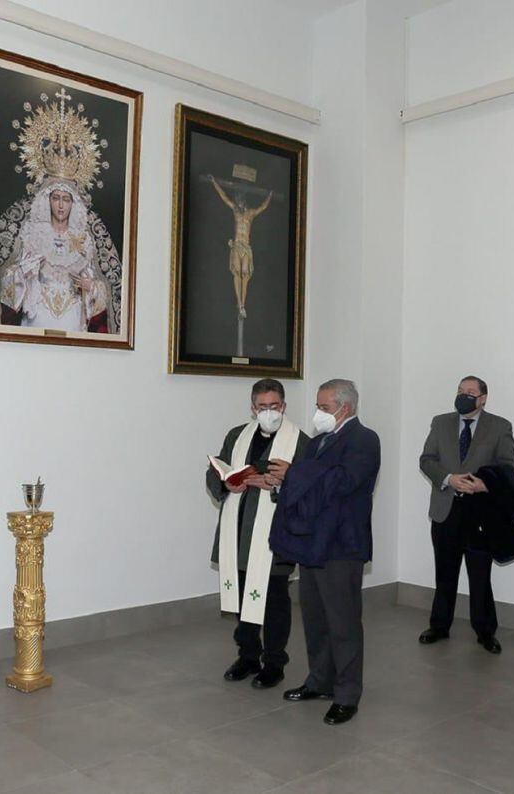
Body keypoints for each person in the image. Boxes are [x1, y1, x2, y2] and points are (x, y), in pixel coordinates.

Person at [276, 379, 380, 725]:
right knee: (316, 618)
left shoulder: (364, 439)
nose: (318, 413)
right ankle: (319, 680)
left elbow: (343, 481)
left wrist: (295, 474)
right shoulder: (319, 440)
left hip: (342, 544)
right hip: (312, 542)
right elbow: (307, 485)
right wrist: (284, 482)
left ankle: (347, 693)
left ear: (344, 407)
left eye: (323, 406)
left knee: (343, 621)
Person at [207, 379, 309, 689]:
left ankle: (274, 662)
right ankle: (248, 655)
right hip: (239, 530)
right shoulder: (237, 436)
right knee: (242, 595)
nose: (269, 412)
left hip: (276, 534)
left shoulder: (300, 442)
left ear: (284, 406)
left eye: (274, 406)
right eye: (262, 407)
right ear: (253, 408)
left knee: (275, 599)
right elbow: (217, 471)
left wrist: (279, 485)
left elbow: (310, 489)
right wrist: (227, 483)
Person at [418, 376, 514, 654]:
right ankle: (439, 625)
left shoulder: (499, 426)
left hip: (480, 514)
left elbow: (509, 468)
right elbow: (427, 460)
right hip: (445, 509)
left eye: (470, 392)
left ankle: (485, 632)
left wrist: (484, 484)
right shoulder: (440, 422)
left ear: (483, 398)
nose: (463, 396)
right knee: (445, 572)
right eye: (460, 391)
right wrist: (449, 478)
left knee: (480, 575)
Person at [0, 180, 114, 333]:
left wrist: (91, 287)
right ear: (48, 200)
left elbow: (91, 281)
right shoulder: (34, 236)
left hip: (72, 316)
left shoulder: (83, 240)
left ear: (73, 203)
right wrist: (24, 273)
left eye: (66, 199)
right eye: (56, 198)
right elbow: (12, 275)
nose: (61, 205)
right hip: (37, 314)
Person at [210, 176, 272, 318]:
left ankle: (243, 304)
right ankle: (241, 305)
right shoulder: (236, 212)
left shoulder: (250, 214)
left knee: (245, 274)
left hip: (246, 246)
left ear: (245, 202)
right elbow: (224, 197)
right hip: (237, 245)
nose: (240, 202)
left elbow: (263, 207)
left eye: (241, 200)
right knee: (237, 273)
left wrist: (270, 196)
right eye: (238, 200)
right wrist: (215, 182)